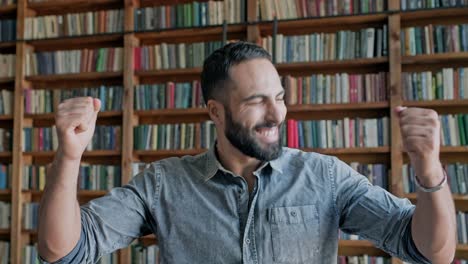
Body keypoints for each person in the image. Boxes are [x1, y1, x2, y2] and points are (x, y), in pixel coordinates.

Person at [38, 42, 456, 264]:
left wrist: (429, 169)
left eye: (279, 96)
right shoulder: (164, 183)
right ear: (215, 112)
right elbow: (64, 250)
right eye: (257, 101)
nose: (277, 113)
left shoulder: (326, 177)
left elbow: (431, 251)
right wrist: (70, 156)